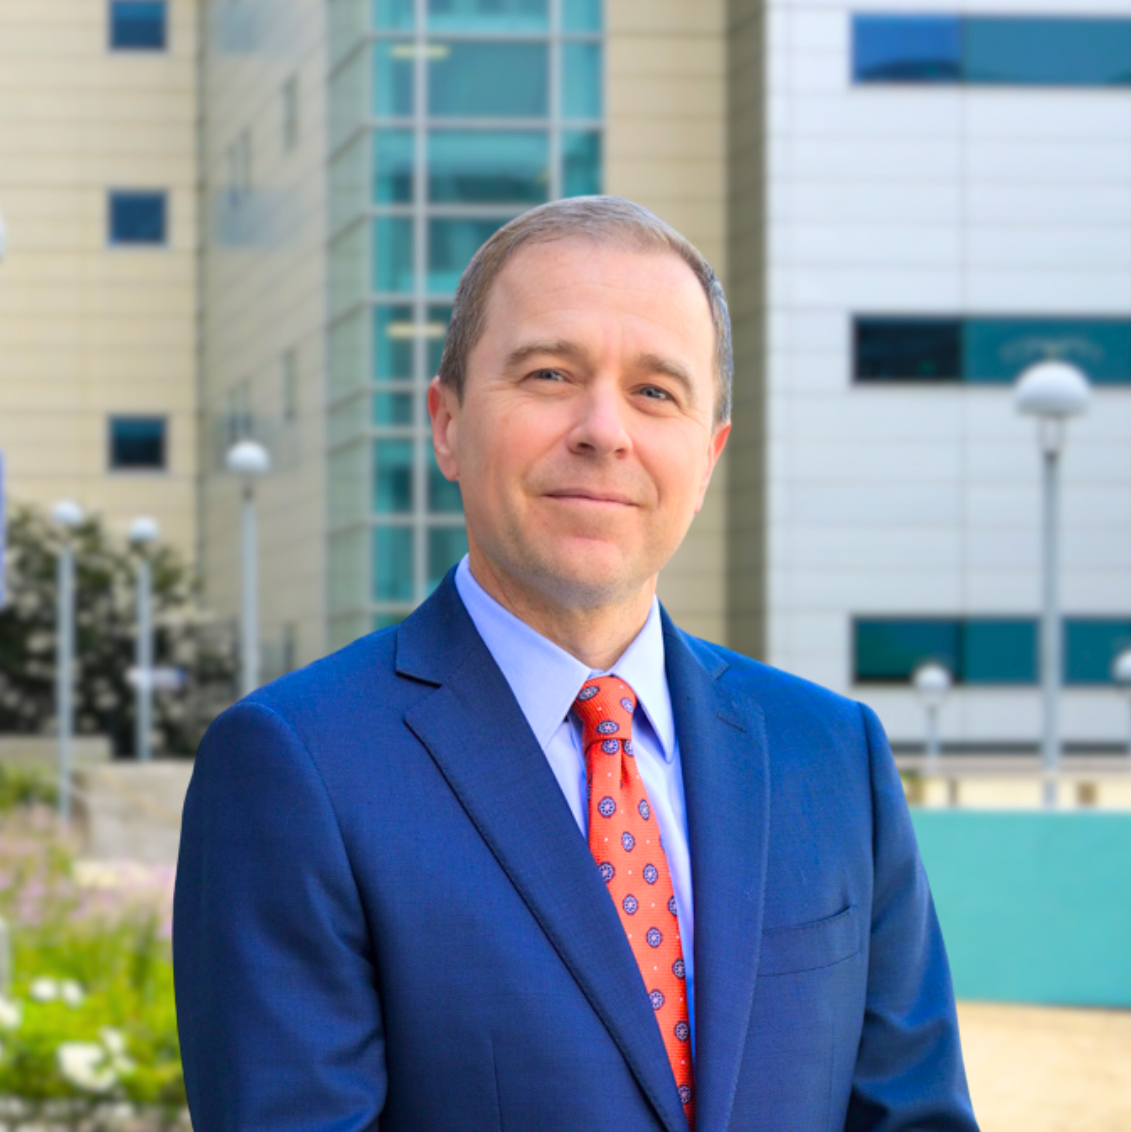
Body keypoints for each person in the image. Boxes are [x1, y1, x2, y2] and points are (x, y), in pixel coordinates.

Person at [173, 196, 979, 1132]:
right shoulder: (294, 767)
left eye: (655, 392)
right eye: (550, 374)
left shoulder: (831, 755)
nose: (605, 429)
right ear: (445, 424)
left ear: (708, 454)